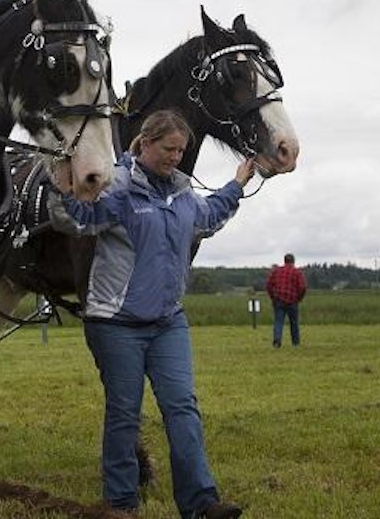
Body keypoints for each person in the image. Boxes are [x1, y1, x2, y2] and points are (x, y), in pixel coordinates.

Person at [48, 110, 253, 519]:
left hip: (168, 323)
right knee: (125, 414)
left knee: (183, 408)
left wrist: (238, 183)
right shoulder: (119, 188)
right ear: (144, 143)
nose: (176, 157)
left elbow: (209, 216)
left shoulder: (181, 192)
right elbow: (77, 219)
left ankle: (201, 503)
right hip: (116, 323)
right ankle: (122, 504)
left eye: (181, 150)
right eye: (168, 148)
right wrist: (60, 183)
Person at [265, 253, 307, 347]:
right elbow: (303, 287)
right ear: (293, 261)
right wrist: (299, 298)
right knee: (294, 323)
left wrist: (273, 297)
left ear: (284, 261)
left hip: (278, 300)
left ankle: (277, 340)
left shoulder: (276, 271)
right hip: (293, 300)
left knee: (278, 321)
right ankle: (295, 343)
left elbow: (268, 285)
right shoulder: (297, 272)